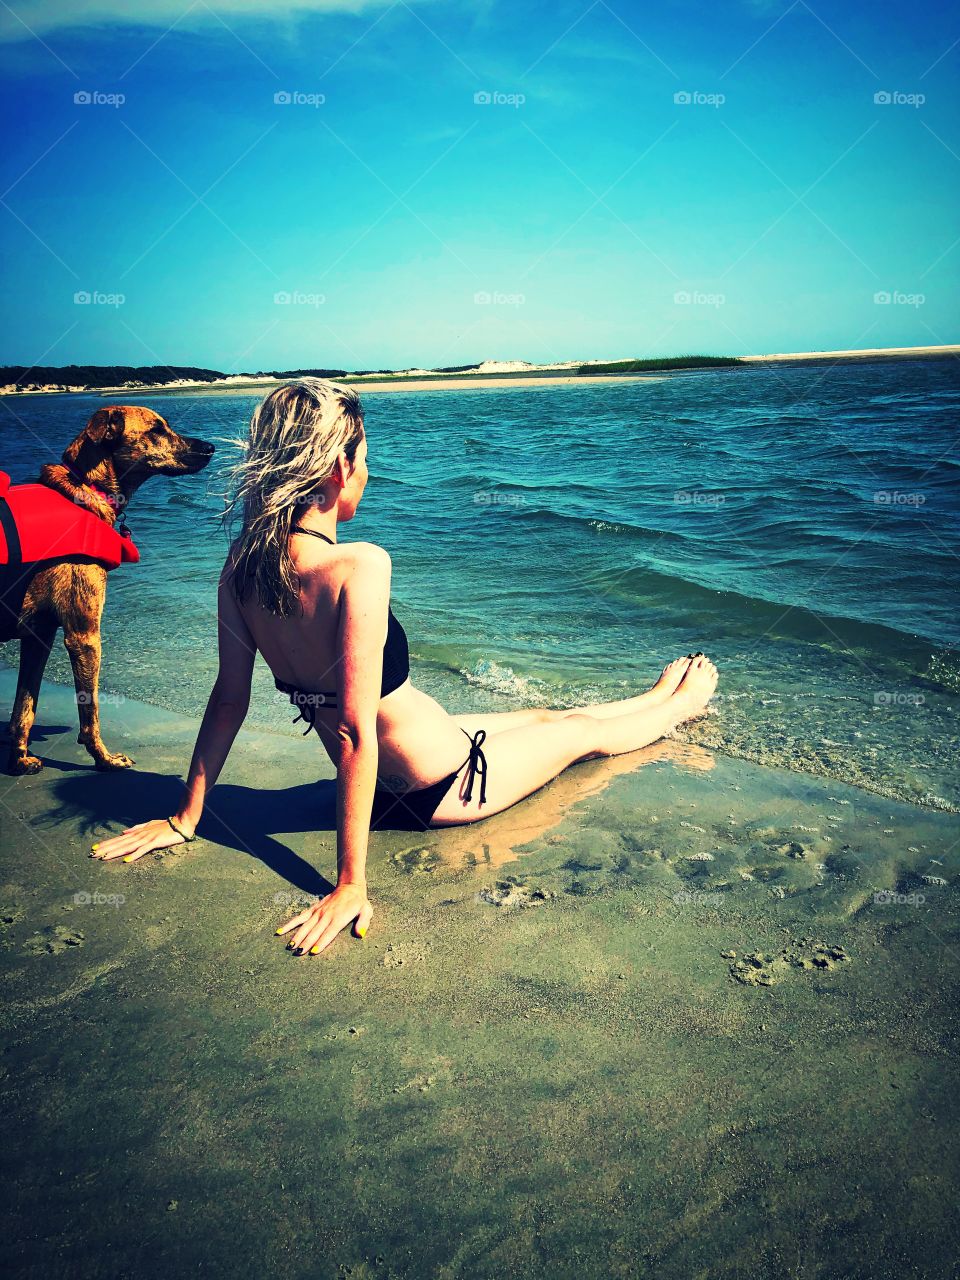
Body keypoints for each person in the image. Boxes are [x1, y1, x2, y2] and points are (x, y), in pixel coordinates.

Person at [91, 379, 718, 956]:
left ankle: (649, 698)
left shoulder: (241, 567)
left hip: (392, 777)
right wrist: (350, 884)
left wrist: (186, 818)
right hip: (447, 787)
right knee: (584, 735)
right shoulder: (358, 565)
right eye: (365, 458)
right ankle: (675, 706)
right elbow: (356, 729)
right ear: (340, 468)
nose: (369, 469)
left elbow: (229, 700)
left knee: (543, 713)